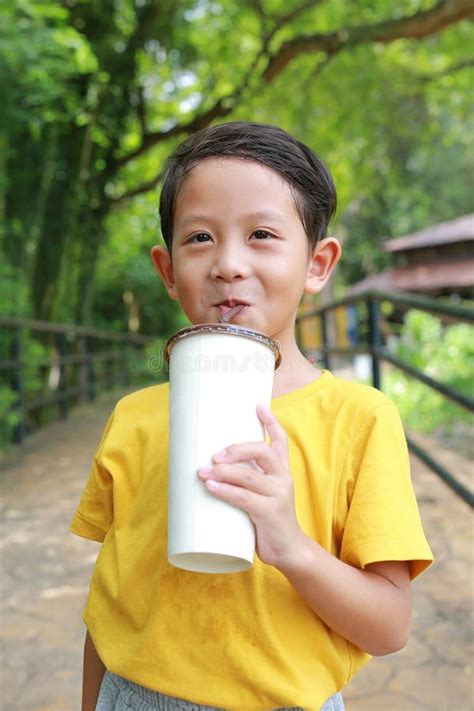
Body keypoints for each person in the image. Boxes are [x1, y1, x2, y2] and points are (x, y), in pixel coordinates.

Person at [71, 122, 433, 711]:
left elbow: (389, 627)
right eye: (199, 239)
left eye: (261, 233)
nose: (228, 264)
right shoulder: (132, 419)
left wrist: (291, 545)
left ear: (318, 263)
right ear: (166, 270)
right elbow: (108, 610)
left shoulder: (359, 419)